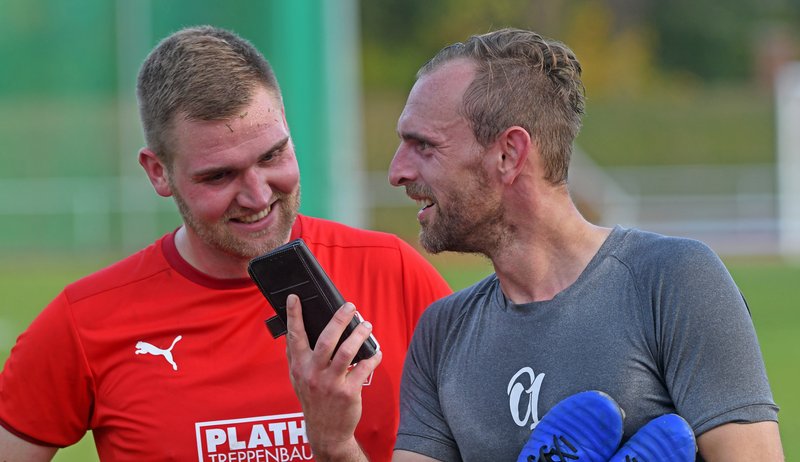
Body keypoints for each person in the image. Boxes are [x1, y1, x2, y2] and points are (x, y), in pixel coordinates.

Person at [284, 28, 784, 461]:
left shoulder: (673, 281)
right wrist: (334, 443)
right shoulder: (442, 331)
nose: (397, 171)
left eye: (424, 146)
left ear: (509, 154)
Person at [0, 25, 451, 461]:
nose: (257, 196)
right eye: (219, 175)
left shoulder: (394, 273)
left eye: (272, 155)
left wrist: (335, 446)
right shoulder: (87, 322)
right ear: (158, 172)